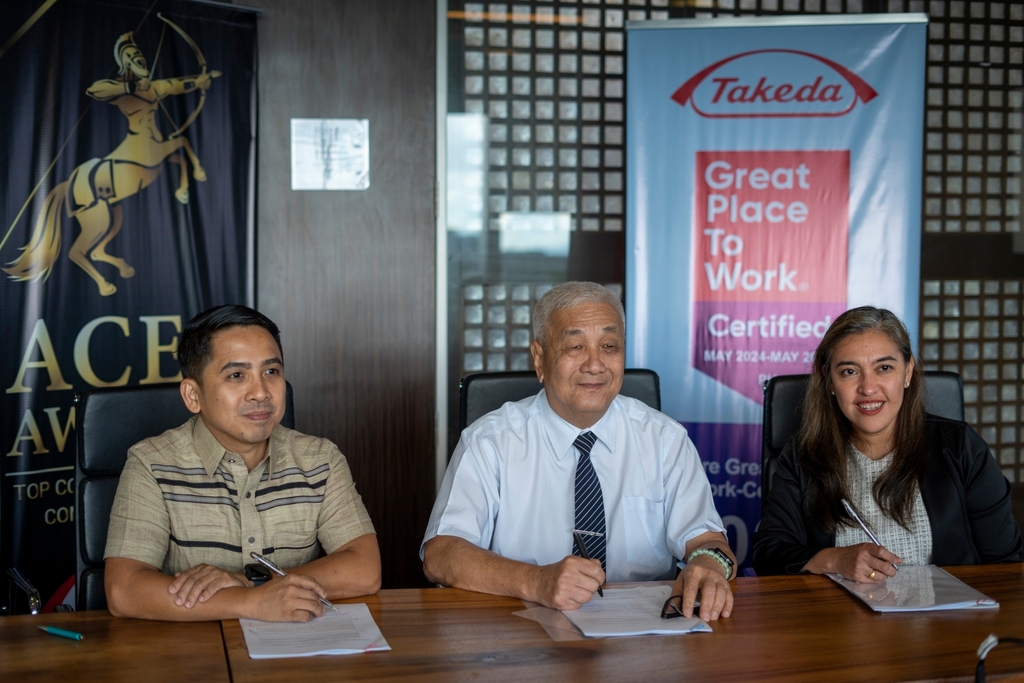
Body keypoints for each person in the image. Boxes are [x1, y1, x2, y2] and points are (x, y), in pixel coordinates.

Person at [422, 282, 735, 621]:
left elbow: (707, 539)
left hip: (642, 636)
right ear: (539, 358)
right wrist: (535, 580)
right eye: (575, 346)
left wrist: (708, 562)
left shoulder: (665, 440)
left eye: (609, 346)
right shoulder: (490, 442)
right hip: (520, 635)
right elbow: (441, 554)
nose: (595, 364)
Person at [105, 305, 381, 621]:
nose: (261, 392)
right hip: (190, 657)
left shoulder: (320, 459)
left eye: (271, 372)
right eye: (237, 375)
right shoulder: (152, 464)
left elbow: (365, 569)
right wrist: (249, 602)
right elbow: (123, 590)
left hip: (294, 652)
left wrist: (250, 581)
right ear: (193, 395)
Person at [752, 306, 1022, 579]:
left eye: (884, 368)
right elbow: (767, 554)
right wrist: (834, 559)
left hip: (948, 618)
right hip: (838, 619)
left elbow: (1005, 563)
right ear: (829, 381)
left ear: (907, 372)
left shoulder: (960, 447)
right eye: (849, 371)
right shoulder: (803, 456)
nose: (868, 388)